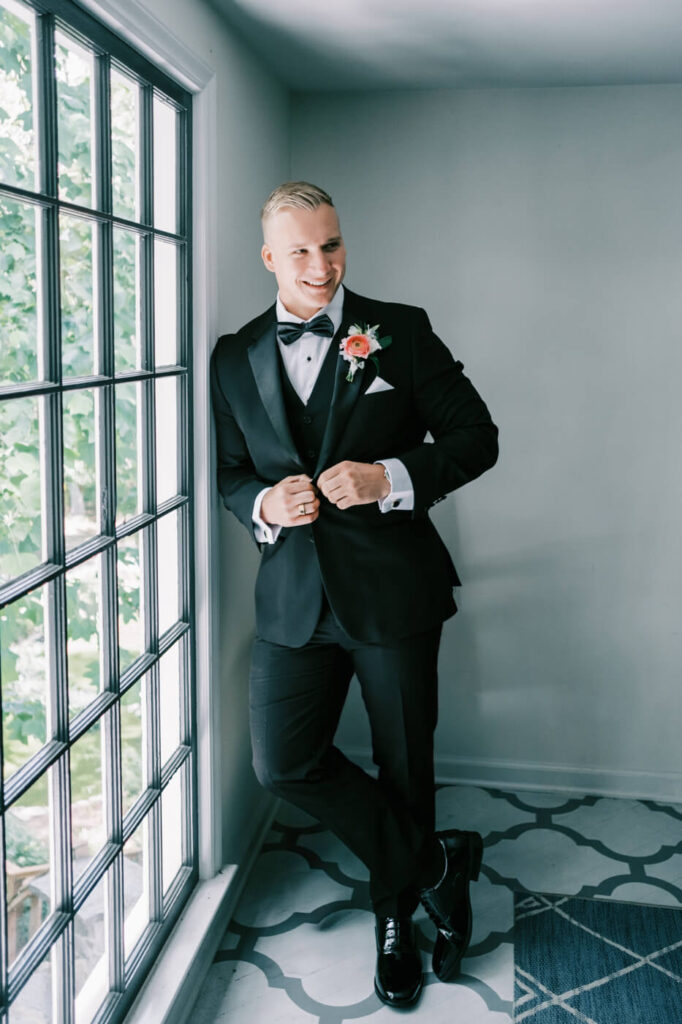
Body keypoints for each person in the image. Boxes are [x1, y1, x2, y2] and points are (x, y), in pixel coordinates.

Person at [210, 181, 498, 1008]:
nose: (320, 265)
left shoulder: (400, 331)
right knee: (283, 759)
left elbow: (478, 438)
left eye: (331, 245)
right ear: (269, 258)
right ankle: (438, 863)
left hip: (393, 594)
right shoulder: (233, 357)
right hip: (293, 597)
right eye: (299, 250)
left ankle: (396, 919)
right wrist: (263, 504)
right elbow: (232, 475)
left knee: (406, 763)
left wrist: (391, 477)